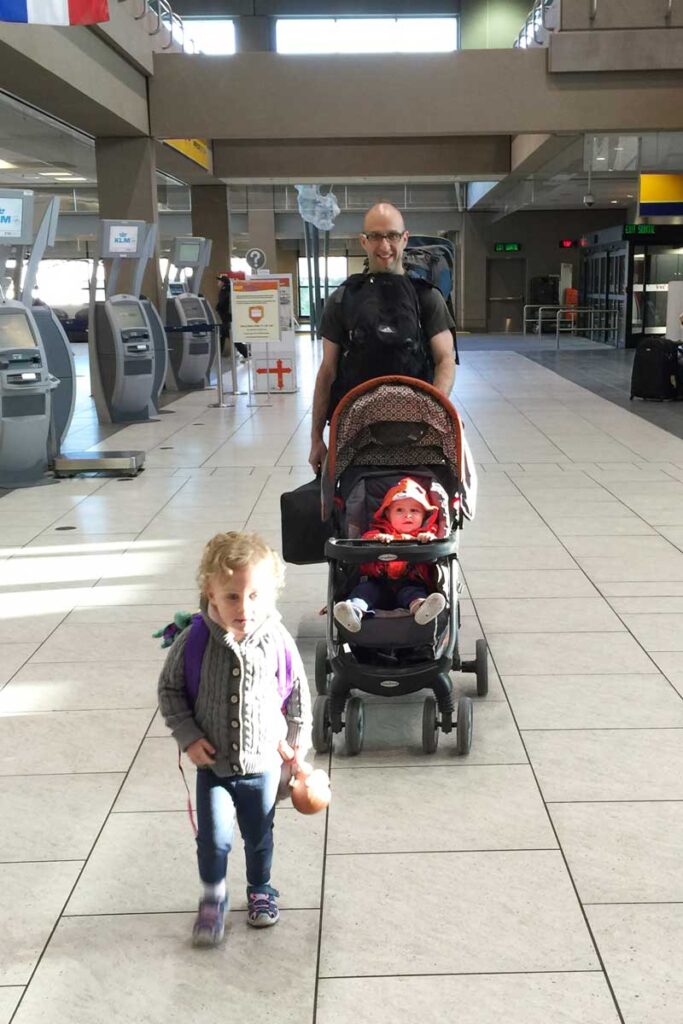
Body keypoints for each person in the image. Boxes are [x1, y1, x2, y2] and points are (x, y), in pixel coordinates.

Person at [157, 531, 311, 946]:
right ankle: (213, 896)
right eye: (232, 597)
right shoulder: (194, 640)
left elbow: (297, 694)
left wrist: (297, 745)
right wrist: (188, 737)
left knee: (259, 836)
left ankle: (261, 888)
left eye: (255, 596)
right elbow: (170, 690)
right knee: (213, 839)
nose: (244, 609)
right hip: (213, 766)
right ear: (210, 591)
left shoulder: (277, 640)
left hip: (263, 764)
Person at [308, 202, 457, 472]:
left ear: (405, 238)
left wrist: (435, 412)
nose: (384, 245)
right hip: (355, 433)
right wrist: (316, 437)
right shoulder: (342, 299)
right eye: (375, 236)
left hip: (418, 429)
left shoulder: (427, 297)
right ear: (363, 241)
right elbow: (327, 371)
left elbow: (446, 359)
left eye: (392, 235)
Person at [333, 477, 446, 633]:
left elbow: (436, 545)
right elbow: (364, 539)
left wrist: (428, 540)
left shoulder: (426, 534)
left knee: (414, 592)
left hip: (410, 582)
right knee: (364, 591)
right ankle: (353, 611)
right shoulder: (378, 531)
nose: (408, 515)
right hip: (378, 583)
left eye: (415, 510)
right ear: (388, 513)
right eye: (400, 510)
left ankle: (422, 609)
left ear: (424, 515)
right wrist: (377, 540)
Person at [216, 273, 249, 360]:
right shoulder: (230, 289)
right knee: (223, 335)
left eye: (219, 281)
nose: (217, 282)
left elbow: (223, 304)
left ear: (222, 282)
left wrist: (218, 307)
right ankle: (218, 354)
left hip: (226, 318)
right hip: (229, 317)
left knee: (231, 336)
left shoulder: (224, 290)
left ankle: (246, 352)